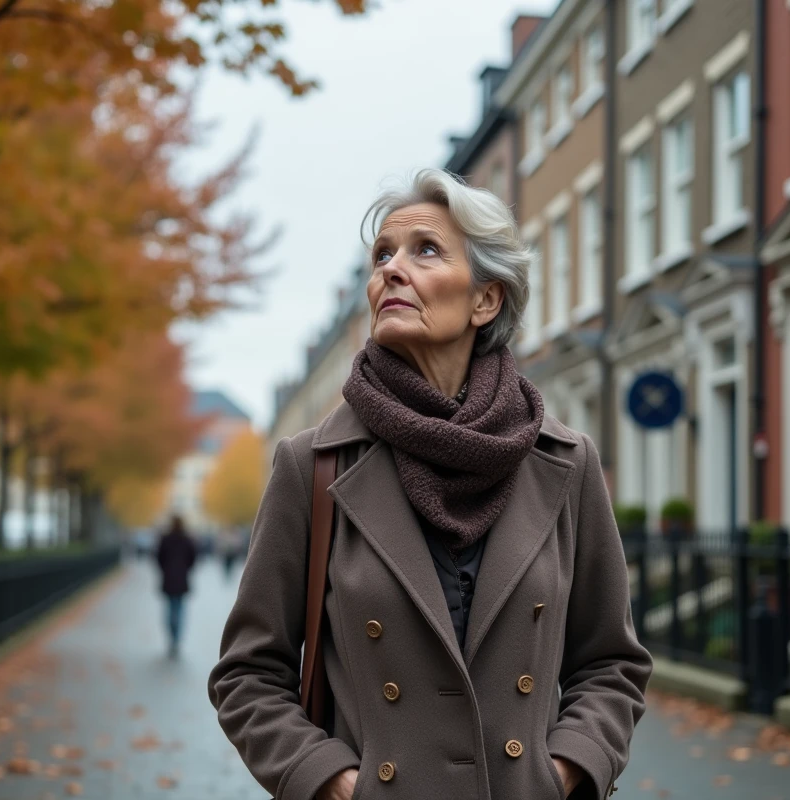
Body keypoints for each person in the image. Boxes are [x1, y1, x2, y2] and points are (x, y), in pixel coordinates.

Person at [210, 170, 652, 800]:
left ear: (485, 300)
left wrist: (565, 770)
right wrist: (329, 779)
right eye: (381, 255)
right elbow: (247, 674)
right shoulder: (312, 465)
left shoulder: (564, 461)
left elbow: (611, 662)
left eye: (424, 251)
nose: (390, 269)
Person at [155, 515, 197, 660]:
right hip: (182, 579)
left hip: (168, 579)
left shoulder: (165, 539)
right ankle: (176, 637)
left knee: (169, 608)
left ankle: (172, 635)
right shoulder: (187, 539)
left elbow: (158, 557)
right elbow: (193, 558)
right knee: (179, 609)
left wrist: (165, 569)